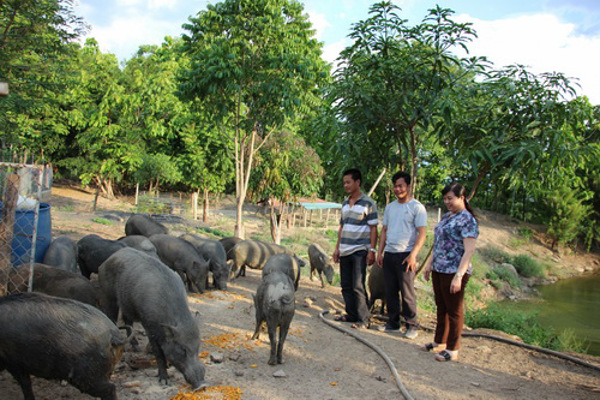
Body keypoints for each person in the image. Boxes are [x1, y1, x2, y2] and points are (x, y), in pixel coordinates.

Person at [422, 182, 479, 362]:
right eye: (445, 198)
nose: (447, 202)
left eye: (450, 198)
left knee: (454, 310)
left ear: (462, 198)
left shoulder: (467, 220)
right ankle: (440, 341)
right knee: (441, 307)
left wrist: (459, 276)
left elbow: (469, 250)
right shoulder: (447, 216)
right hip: (440, 268)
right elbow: (438, 243)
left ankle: (453, 348)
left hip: (454, 270)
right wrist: (429, 264)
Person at [376, 171, 427, 338]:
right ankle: (393, 323)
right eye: (395, 186)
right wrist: (380, 252)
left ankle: (412, 325)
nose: (398, 189)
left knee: (407, 292)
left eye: (401, 186)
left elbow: (422, 233)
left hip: (406, 255)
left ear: (409, 186)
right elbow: (384, 230)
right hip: (390, 253)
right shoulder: (390, 207)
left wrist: (413, 255)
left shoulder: (417, 207)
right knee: (390, 291)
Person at [333, 168, 378, 329]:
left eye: (348, 182)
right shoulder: (345, 203)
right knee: (345, 284)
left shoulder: (368, 203)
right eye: (344, 182)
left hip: (359, 250)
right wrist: (337, 248)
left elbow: (374, 229)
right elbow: (342, 226)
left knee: (358, 284)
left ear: (357, 182)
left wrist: (372, 251)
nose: (345, 185)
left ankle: (364, 319)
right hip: (345, 249)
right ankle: (351, 314)